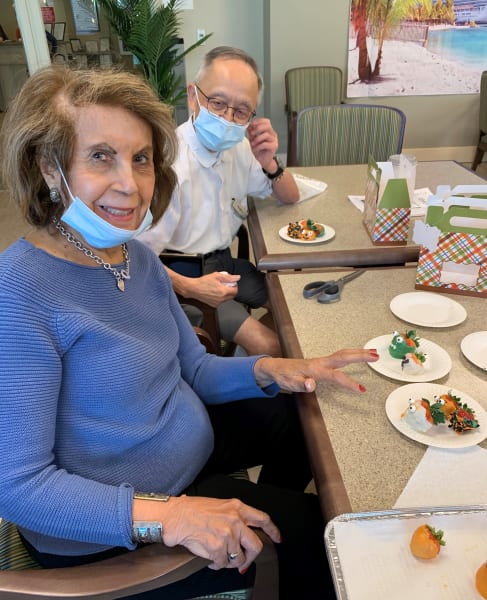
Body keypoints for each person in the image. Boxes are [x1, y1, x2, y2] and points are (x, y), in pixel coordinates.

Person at [0, 65, 378, 600]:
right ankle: (267, 552)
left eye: (141, 159)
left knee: (301, 411)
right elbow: (18, 487)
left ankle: (258, 534)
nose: (130, 185)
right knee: (331, 539)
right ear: (48, 166)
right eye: (100, 156)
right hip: (112, 529)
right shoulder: (17, 293)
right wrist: (173, 517)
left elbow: (194, 369)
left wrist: (275, 368)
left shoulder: (134, 258)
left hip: (180, 454)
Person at [139, 46, 300, 357]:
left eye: (241, 110)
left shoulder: (240, 147)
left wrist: (270, 163)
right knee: (272, 344)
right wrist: (189, 287)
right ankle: (240, 377)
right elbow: (135, 258)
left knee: (298, 305)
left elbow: (290, 196)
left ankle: (238, 360)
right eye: (218, 103)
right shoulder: (169, 167)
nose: (228, 118)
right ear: (193, 97)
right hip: (185, 273)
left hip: (224, 263)